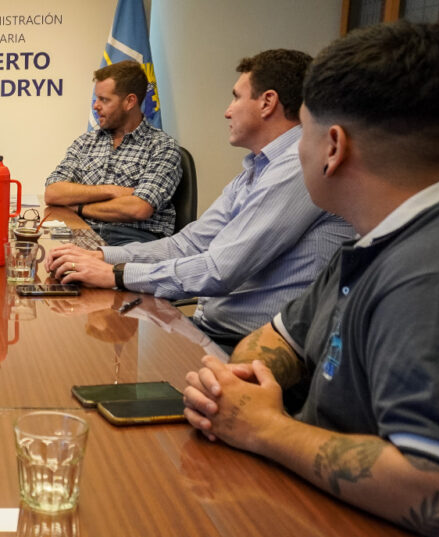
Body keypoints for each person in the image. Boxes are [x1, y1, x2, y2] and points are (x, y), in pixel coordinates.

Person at [183, 23, 439, 537]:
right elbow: (278, 338)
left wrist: (263, 427)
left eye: (303, 132)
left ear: (333, 146)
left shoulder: (437, 274)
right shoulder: (380, 237)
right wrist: (241, 386)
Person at [47, 50, 353, 350]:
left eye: (236, 97)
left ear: (268, 102)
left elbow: (220, 269)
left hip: (255, 351)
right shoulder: (255, 169)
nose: (227, 110)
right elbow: (187, 245)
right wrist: (104, 258)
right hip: (212, 330)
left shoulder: (298, 166)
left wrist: (117, 273)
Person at [43, 59, 182, 245]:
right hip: (83, 234)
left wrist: (78, 206)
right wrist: (112, 191)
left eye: (104, 100)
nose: (95, 106)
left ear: (129, 101)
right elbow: (53, 192)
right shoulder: (86, 142)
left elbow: (138, 208)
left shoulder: (162, 147)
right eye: (96, 98)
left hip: (131, 241)